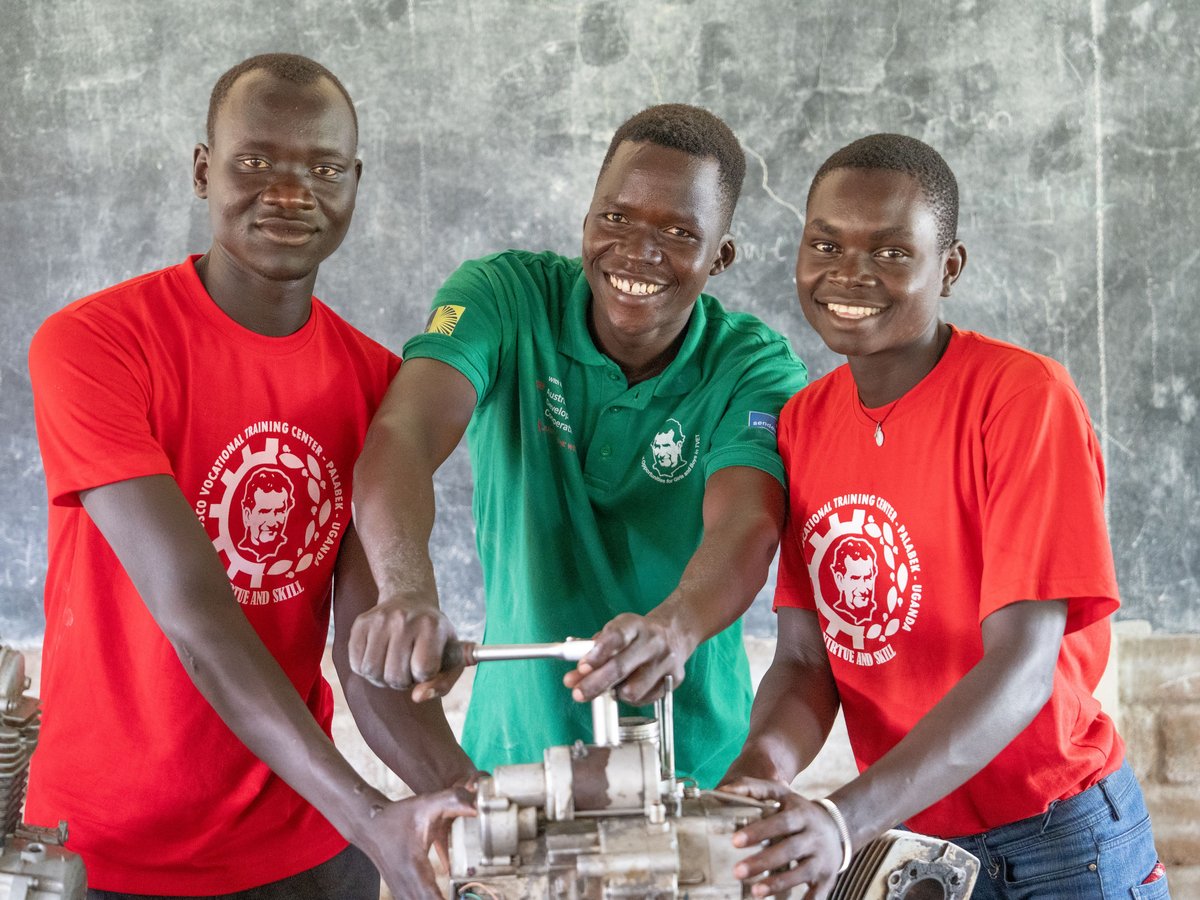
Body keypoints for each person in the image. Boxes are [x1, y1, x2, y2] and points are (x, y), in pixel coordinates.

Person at [26, 53, 473, 899]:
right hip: (104, 858)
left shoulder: (379, 388)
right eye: (255, 161)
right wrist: (369, 815)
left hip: (311, 849)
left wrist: (467, 801)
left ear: (355, 185)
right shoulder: (95, 347)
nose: (290, 191)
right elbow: (196, 613)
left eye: (323, 168)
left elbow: (366, 653)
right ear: (204, 171)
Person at [720, 134, 1168, 899]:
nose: (850, 274)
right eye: (825, 243)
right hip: (913, 839)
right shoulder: (802, 426)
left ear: (948, 267)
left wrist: (843, 820)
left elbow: (1022, 667)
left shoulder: (1023, 400)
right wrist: (762, 769)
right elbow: (803, 662)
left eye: (892, 252)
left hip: (1058, 843)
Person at [349, 104, 809, 788]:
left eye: (679, 232)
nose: (637, 252)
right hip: (512, 761)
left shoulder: (754, 366)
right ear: (587, 217)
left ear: (723, 256)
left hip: (696, 769)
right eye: (616, 217)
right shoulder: (502, 298)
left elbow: (749, 520)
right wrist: (407, 589)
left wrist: (674, 630)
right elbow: (405, 434)